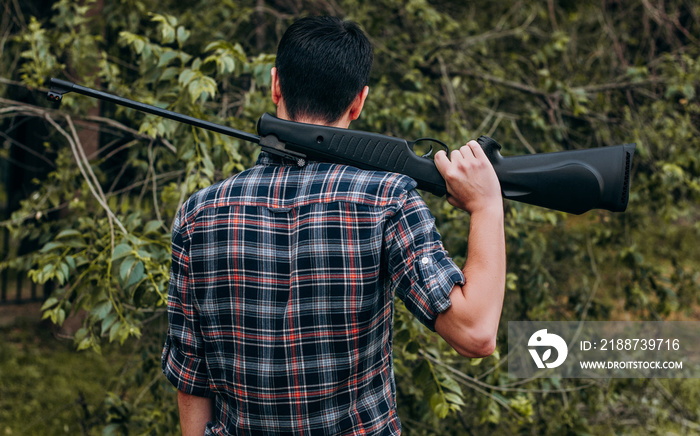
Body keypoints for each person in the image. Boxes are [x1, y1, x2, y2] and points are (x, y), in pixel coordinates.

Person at [162, 16, 505, 436]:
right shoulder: (387, 200)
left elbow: (192, 380)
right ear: (358, 101)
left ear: (276, 85)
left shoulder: (198, 215)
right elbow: (476, 332)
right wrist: (486, 206)